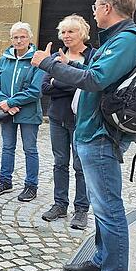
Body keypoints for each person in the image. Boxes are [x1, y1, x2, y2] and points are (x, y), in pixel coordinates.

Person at [32, 0, 136, 271]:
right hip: (92, 131)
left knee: (109, 210)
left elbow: (95, 80)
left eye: (96, 6)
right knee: (104, 208)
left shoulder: (125, 40)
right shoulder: (117, 40)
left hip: (100, 136)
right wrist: (68, 65)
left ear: (108, 8)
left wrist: (50, 64)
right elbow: (97, 73)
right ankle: (101, 261)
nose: (94, 11)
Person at [39, 14, 94, 229]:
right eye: (63, 32)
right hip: (57, 117)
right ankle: (59, 204)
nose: (66, 36)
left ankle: (81, 210)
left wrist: (59, 80)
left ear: (82, 33)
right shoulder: (54, 56)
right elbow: (45, 88)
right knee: (59, 163)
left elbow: (90, 83)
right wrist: (70, 82)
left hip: (82, 120)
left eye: (70, 31)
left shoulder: (92, 56)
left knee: (80, 166)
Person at [0, 22, 42, 202]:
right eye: (15, 37)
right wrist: (5, 104)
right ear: (11, 39)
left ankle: (31, 185)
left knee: (30, 149)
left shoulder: (37, 60)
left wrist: (11, 102)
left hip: (28, 112)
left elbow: (36, 90)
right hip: (7, 112)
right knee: (7, 147)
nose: (19, 41)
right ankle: (5, 181)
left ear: (30, 38)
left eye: (22, 37)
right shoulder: (5, 59)